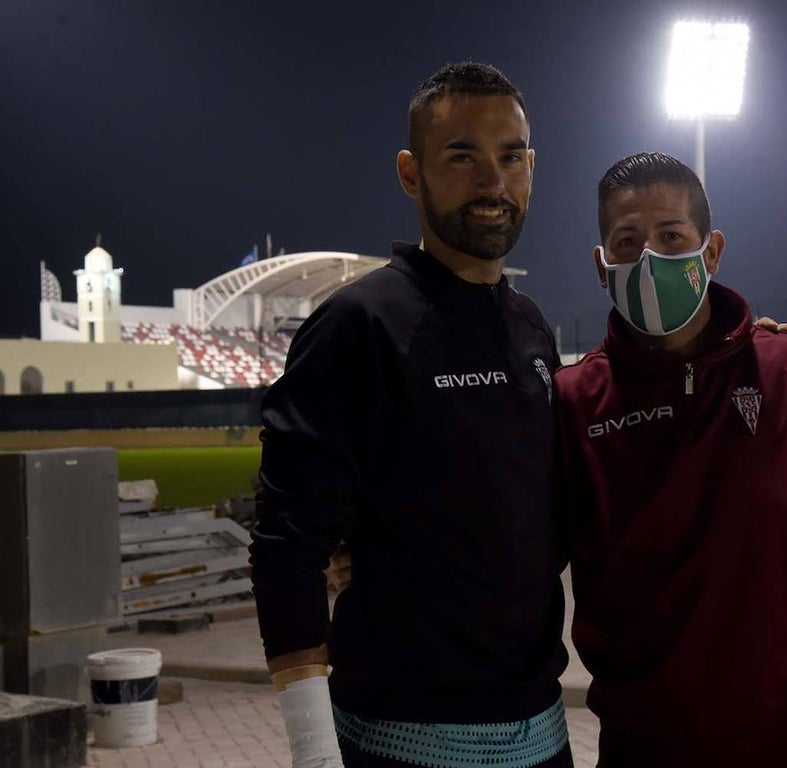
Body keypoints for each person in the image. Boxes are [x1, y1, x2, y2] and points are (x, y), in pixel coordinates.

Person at [553, 152, 787, 767]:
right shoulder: (574, 405)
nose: (649, 257)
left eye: (671, 236)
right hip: (641, 753)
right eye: (627, 242)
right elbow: (518, 569)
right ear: (601, 268)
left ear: (711, 252)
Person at [249, 62, 573, 768]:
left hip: (544, 730)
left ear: (531, 166)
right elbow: (286, 546)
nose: (492, 182)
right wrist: (313, 750)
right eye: (462, 156)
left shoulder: (531, 328)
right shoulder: (357, 325)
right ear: (410, 171)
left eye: (510, 156)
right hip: (400, 737)